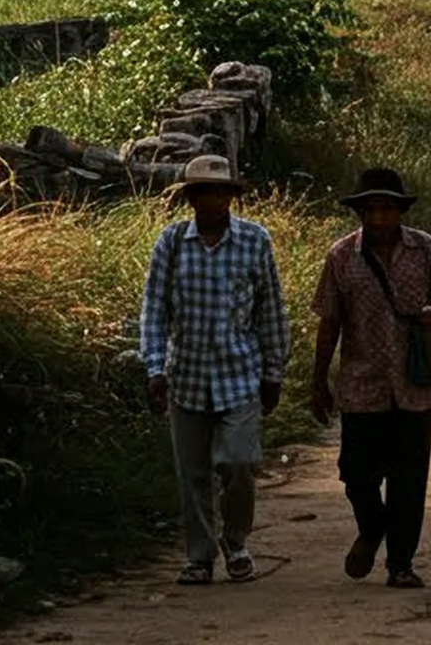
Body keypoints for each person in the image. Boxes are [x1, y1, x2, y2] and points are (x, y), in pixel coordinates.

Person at [139, 154, 290, 586]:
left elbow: (270, 309)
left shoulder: (254, 240)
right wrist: (153, 368)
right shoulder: (171, 243)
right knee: (193, 474)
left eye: (221, 192)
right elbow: (154, 310)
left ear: (231, 197)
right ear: (191, 199)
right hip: (185, 374)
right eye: (205, 193)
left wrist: (273, 372)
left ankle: (237, 542)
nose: (214, 201)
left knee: (239, 462)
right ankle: (199, 557)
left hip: (239, 373)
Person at [310, 168, 431, 590]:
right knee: (356, 476)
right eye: (372, 209)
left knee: (409, 482)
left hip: (413, 384)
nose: (379, 217)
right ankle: (373, 526)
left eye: (388, 208)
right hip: (361, 385)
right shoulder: (341, 256)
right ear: (360, 212)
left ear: (400, 211)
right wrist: (318, 381)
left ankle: (401, 564)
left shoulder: (424, 248)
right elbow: (329, 323)